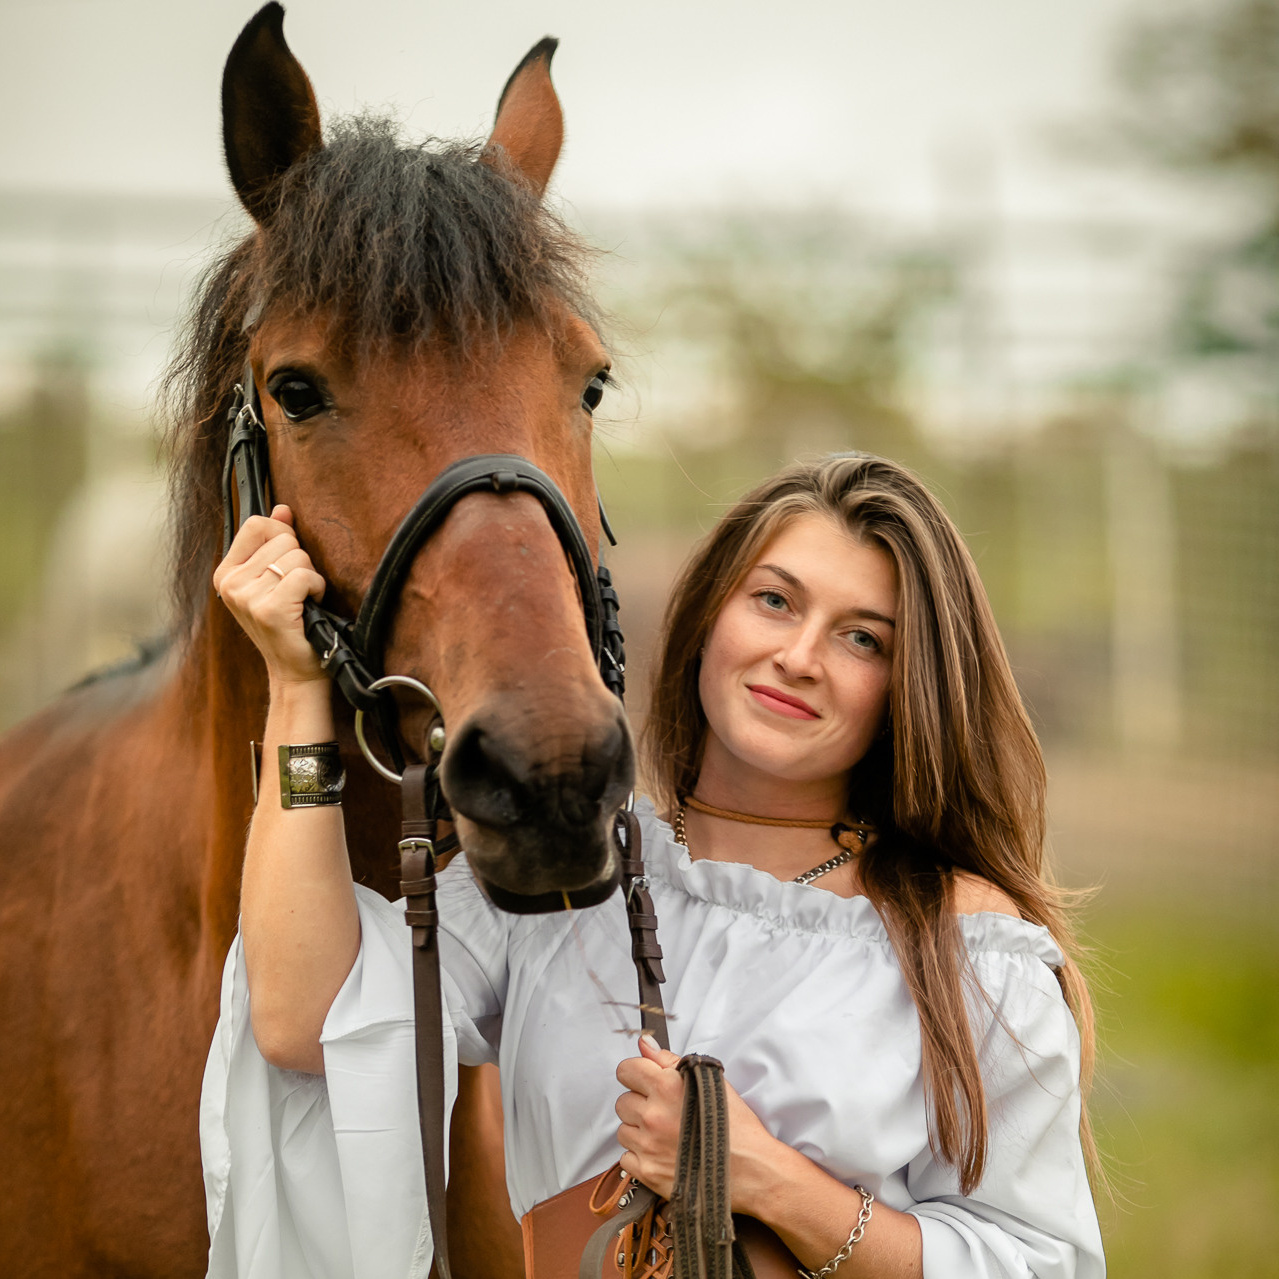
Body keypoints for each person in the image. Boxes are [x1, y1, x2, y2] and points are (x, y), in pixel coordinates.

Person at [201, 453, 1105, 1279]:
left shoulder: (968, 949)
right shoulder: (568, 869)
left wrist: (765, 1176)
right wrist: (296, 686)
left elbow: (1036, 1263)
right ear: (711, 612)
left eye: (861, 638)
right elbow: (308, 1019)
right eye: (775, 601)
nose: (798, 657)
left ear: (908, 684)